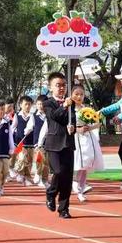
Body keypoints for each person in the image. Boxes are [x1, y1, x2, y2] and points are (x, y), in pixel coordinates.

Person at [43, 72, 76, 219]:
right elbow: (55, 117)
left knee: (67, 178)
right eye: (58, 85)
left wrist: (73, 126)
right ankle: (51, 193)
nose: (61, 88)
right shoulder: (48, 103)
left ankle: (64, 209)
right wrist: (64, 106)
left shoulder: (71, 102)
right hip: (54, 143)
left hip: (68, 142)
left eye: (63, 85)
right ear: (51, 87)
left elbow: (73, 119)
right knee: (58, 172)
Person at [72, 85, 104, 202]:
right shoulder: (69, 110)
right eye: (76, 94)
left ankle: (81, 188)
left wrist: (95, 125)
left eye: (81, 94)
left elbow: (92, 124)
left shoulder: (86, 109)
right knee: (77, 164)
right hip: (75, 140)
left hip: (87, 139)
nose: (79, 97)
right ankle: (75, 184)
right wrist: (77, 129)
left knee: (85, 164)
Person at [12, 95, 34, 186]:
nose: (27, 106)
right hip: (20, 142)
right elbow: (13, 127)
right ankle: (20, 173)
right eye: (25, 104)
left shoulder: (33, 116)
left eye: (29, 104)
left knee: (29, 161)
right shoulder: (17, 115)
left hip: (31, 142)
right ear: (21, 105)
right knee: (21, 158)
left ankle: (28, 178)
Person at [32, 95, 49, 188]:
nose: (40, 106)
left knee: (47, 162)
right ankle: (38, 174)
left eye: (42, 104)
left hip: (48, 141)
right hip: (38, 142)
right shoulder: (34, 116)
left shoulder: (49, 115)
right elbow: (30, 126)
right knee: (40, 159)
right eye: (38, 104)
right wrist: (27, 130)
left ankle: (45, 179)